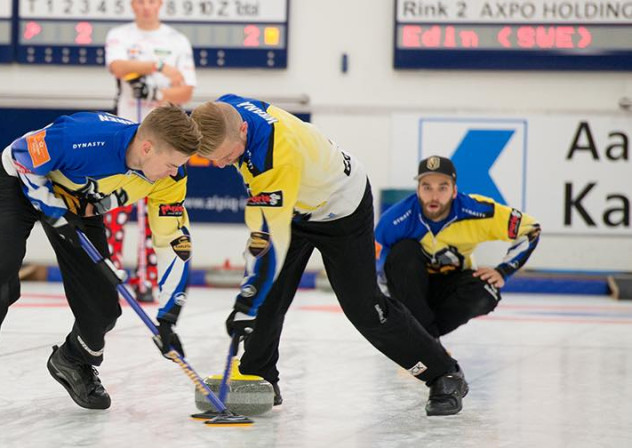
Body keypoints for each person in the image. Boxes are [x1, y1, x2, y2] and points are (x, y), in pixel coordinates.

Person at [190, 95, 468, 416]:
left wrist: (246, 302)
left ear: (242, 130)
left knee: (366, 309)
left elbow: (269, 237)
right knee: (269, 295)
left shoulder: (277, 154)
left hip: (341, 208)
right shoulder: (224, 110)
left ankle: (444, 373)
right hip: (297, 204)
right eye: (216, 160)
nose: (223, 164)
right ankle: (260, 376)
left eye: (227, 156)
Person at [0, 105, 201, 417]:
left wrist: (169, 315)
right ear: (147, 147)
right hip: (19, 184)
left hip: (79, 203)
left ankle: (73, 360)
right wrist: (52, 209)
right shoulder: (85, 137)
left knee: (103, 307)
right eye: (171, 164)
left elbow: (172, 242)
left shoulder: (172, 177)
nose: (175, 172)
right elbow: (22, 156)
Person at [375, 155, 541, 340]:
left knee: (487, 291)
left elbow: (530, 229)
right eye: (427, 187)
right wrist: (387, 310)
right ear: (418, 190)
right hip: (409, 290)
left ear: (454, 191)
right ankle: (426, 344)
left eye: (443, 187)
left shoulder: (477, 211)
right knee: (403, 251)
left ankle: (422, 341)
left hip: (450, 288)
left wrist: (504, 271)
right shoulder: (395, 220)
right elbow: (375, 265)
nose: (434, 196)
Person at [103, 0, 197, 302]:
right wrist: (157, 67)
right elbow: (118, 67)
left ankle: (148, 279)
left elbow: (185, 88)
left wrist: (157, 91)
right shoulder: (120, 34)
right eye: (140, 2)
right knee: (114, 209)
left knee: (156, 210)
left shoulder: (177, 40)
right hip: (126, 135)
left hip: (164, 138)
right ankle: (110, 277)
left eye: (152, 2)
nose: (146, 7)